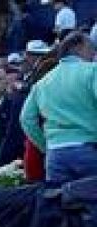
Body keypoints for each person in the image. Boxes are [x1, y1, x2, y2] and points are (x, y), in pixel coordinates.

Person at [19, 31, 97, 186]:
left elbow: (26, 119)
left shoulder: (42, 82)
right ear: (79, 47)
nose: (94, 53)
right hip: (88, 149)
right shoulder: (92, 70)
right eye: (92, 48)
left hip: (55, 155)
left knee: (59, 206)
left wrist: (45, 146)